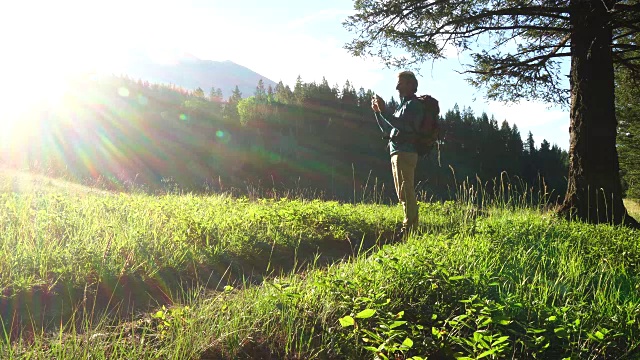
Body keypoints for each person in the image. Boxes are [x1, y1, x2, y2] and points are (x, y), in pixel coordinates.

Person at [371, 71, 424, 237]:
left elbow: (402, 126)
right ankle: (409, 226)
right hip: (397, 152)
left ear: (410, 85)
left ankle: (410, 229)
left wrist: (385, 111)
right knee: (402, 193)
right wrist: (378, 112)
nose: (396, 87)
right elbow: (389, 129)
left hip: (405, 152)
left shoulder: (413, 105)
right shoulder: (403, 106)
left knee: (406, 191)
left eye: (400, 83)